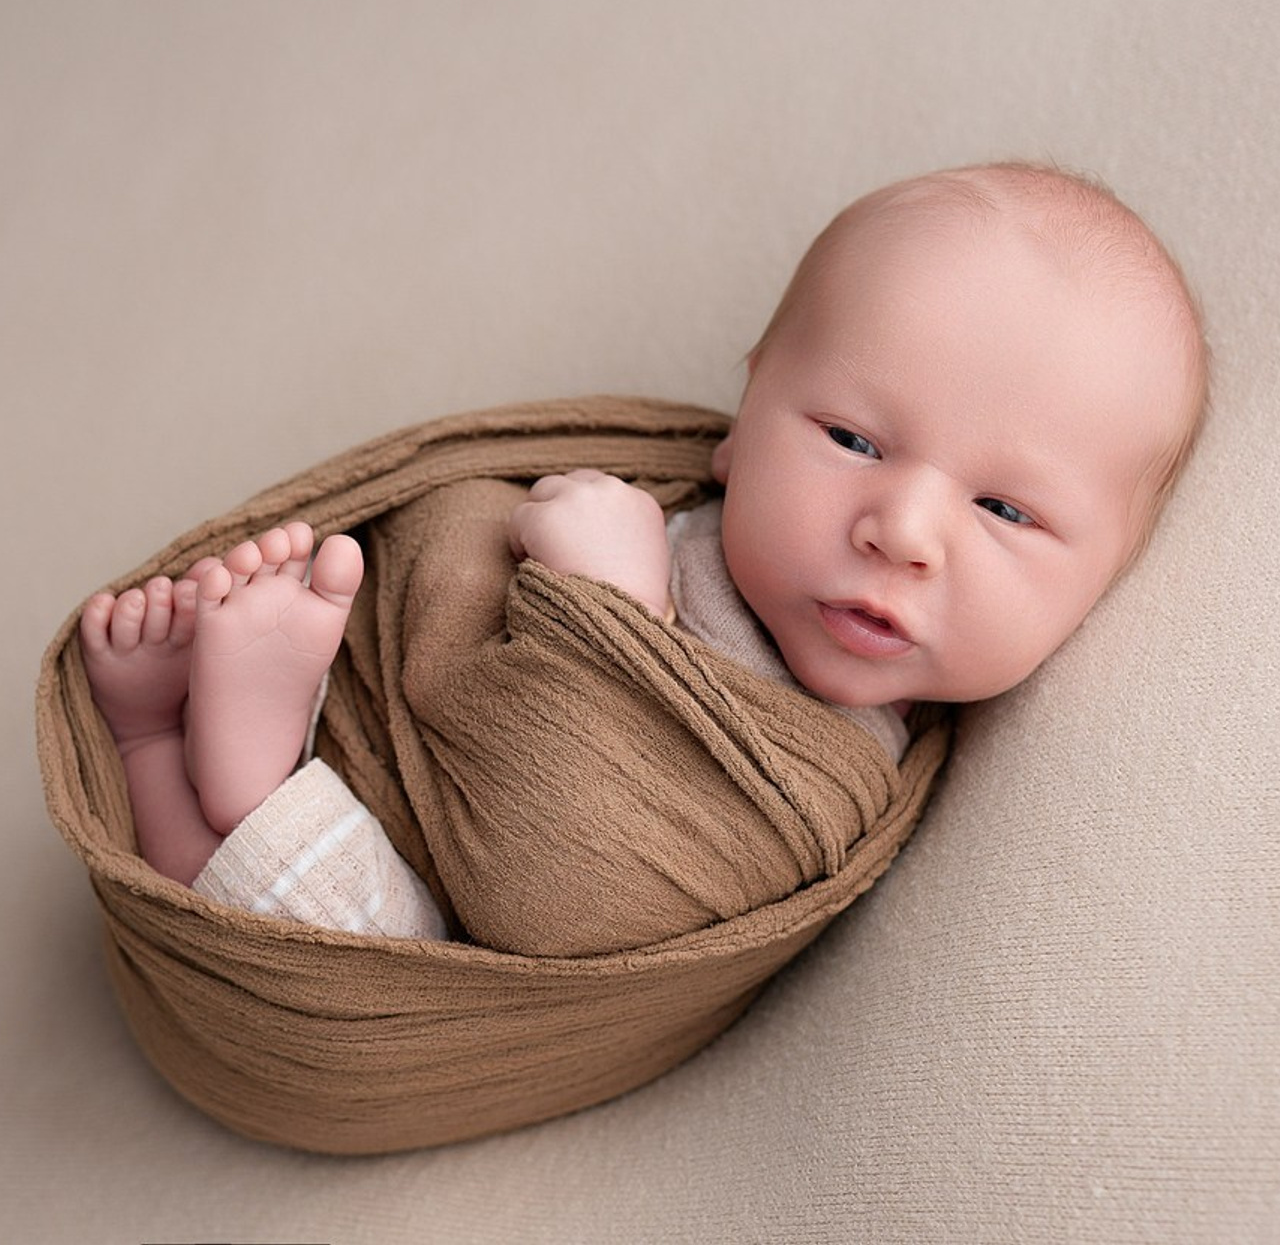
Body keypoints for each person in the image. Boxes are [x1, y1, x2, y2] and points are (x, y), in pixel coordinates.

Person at [77, 160, 1209, 936]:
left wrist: (608, 602)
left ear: (1101, 580)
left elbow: (565, 893)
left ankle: (187, 753)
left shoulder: (829, 771)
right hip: (395, 720)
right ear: (742, 418)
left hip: (445, 897)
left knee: (350, 927)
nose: (901, 529)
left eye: (1004, 510)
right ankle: (222, 724)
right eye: (851, 438)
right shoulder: (684, 512)